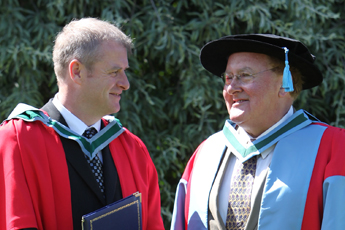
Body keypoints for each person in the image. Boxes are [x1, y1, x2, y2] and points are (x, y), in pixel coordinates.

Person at [0, 18, 164, 230]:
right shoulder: (18, 142)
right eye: (114, 72)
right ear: (76, 71)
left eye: (125, 71)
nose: (125, 83)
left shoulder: (133, 150)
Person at [170, 34, 345, 230]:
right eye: (228, 78)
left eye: (245, 75)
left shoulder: (332, 147)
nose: (232, 88)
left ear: (284, 84)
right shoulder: (205, 153)